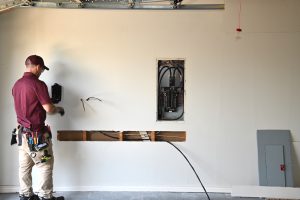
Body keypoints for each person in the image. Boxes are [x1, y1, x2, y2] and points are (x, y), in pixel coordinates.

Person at [12, 55, 65, 200]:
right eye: (41, 68)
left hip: (21, 134)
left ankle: (26, 195)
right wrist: (58, 109)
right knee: (45, 165)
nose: (42, 71)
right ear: (36, 66)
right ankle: (46, 196)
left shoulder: (16, 84)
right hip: (37, 135)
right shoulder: (38, 84)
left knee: (24, 166)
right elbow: (48, 108)